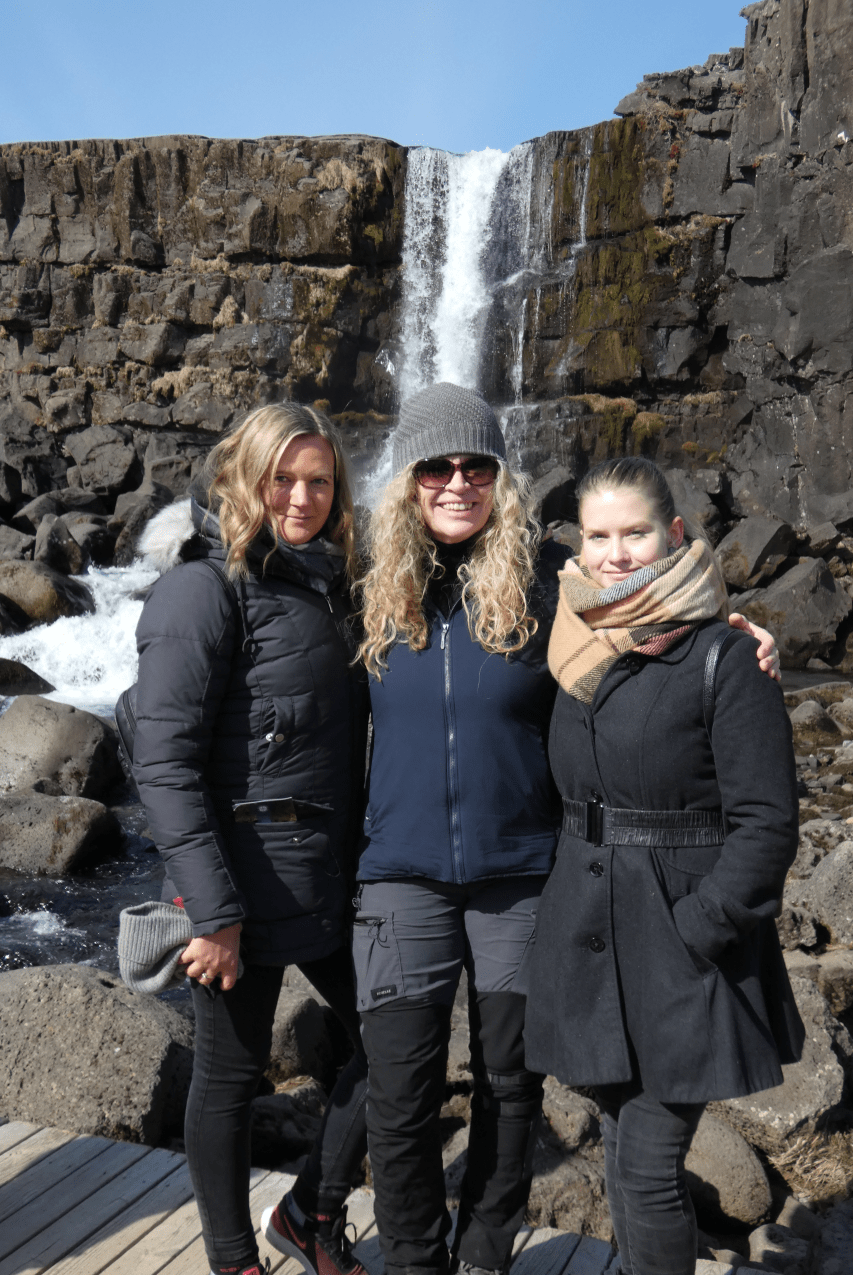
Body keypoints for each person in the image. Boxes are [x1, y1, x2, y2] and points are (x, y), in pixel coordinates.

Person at [352, 383, 780, 1275]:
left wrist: (742, 634)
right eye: (436, 466)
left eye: (476, 464)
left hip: (523, 872)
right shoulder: (364, 587)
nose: (457, 481)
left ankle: (483, 1252)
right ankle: (411, 1262)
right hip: (404, 870)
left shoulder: (552, 587)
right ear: (407, 479)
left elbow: (661, 620)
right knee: (398, 1090)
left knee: (513, 1082)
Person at [523, 457, 804, 1275]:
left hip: (680, 948)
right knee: (620, 1148)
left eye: (634, 532)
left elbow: (766, 825)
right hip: (589, 935)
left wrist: (699, 930)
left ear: (673, 534)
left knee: (645, 1165)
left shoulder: (725, 656)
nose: (615, 553)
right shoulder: (571, 640)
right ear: (577, 545)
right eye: (598, 535)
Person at [132, 404, 370, 1275]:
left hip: (327, 872)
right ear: (244, 476)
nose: (301, 498)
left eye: (319, 481)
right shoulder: (204, 588)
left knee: (396, 1047)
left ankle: (308, 1213)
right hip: (238, 882)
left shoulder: (329, 582)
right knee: (228, 1078)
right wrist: (212, 911)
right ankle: (232, 1260)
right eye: (282, 479)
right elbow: (162, 760)